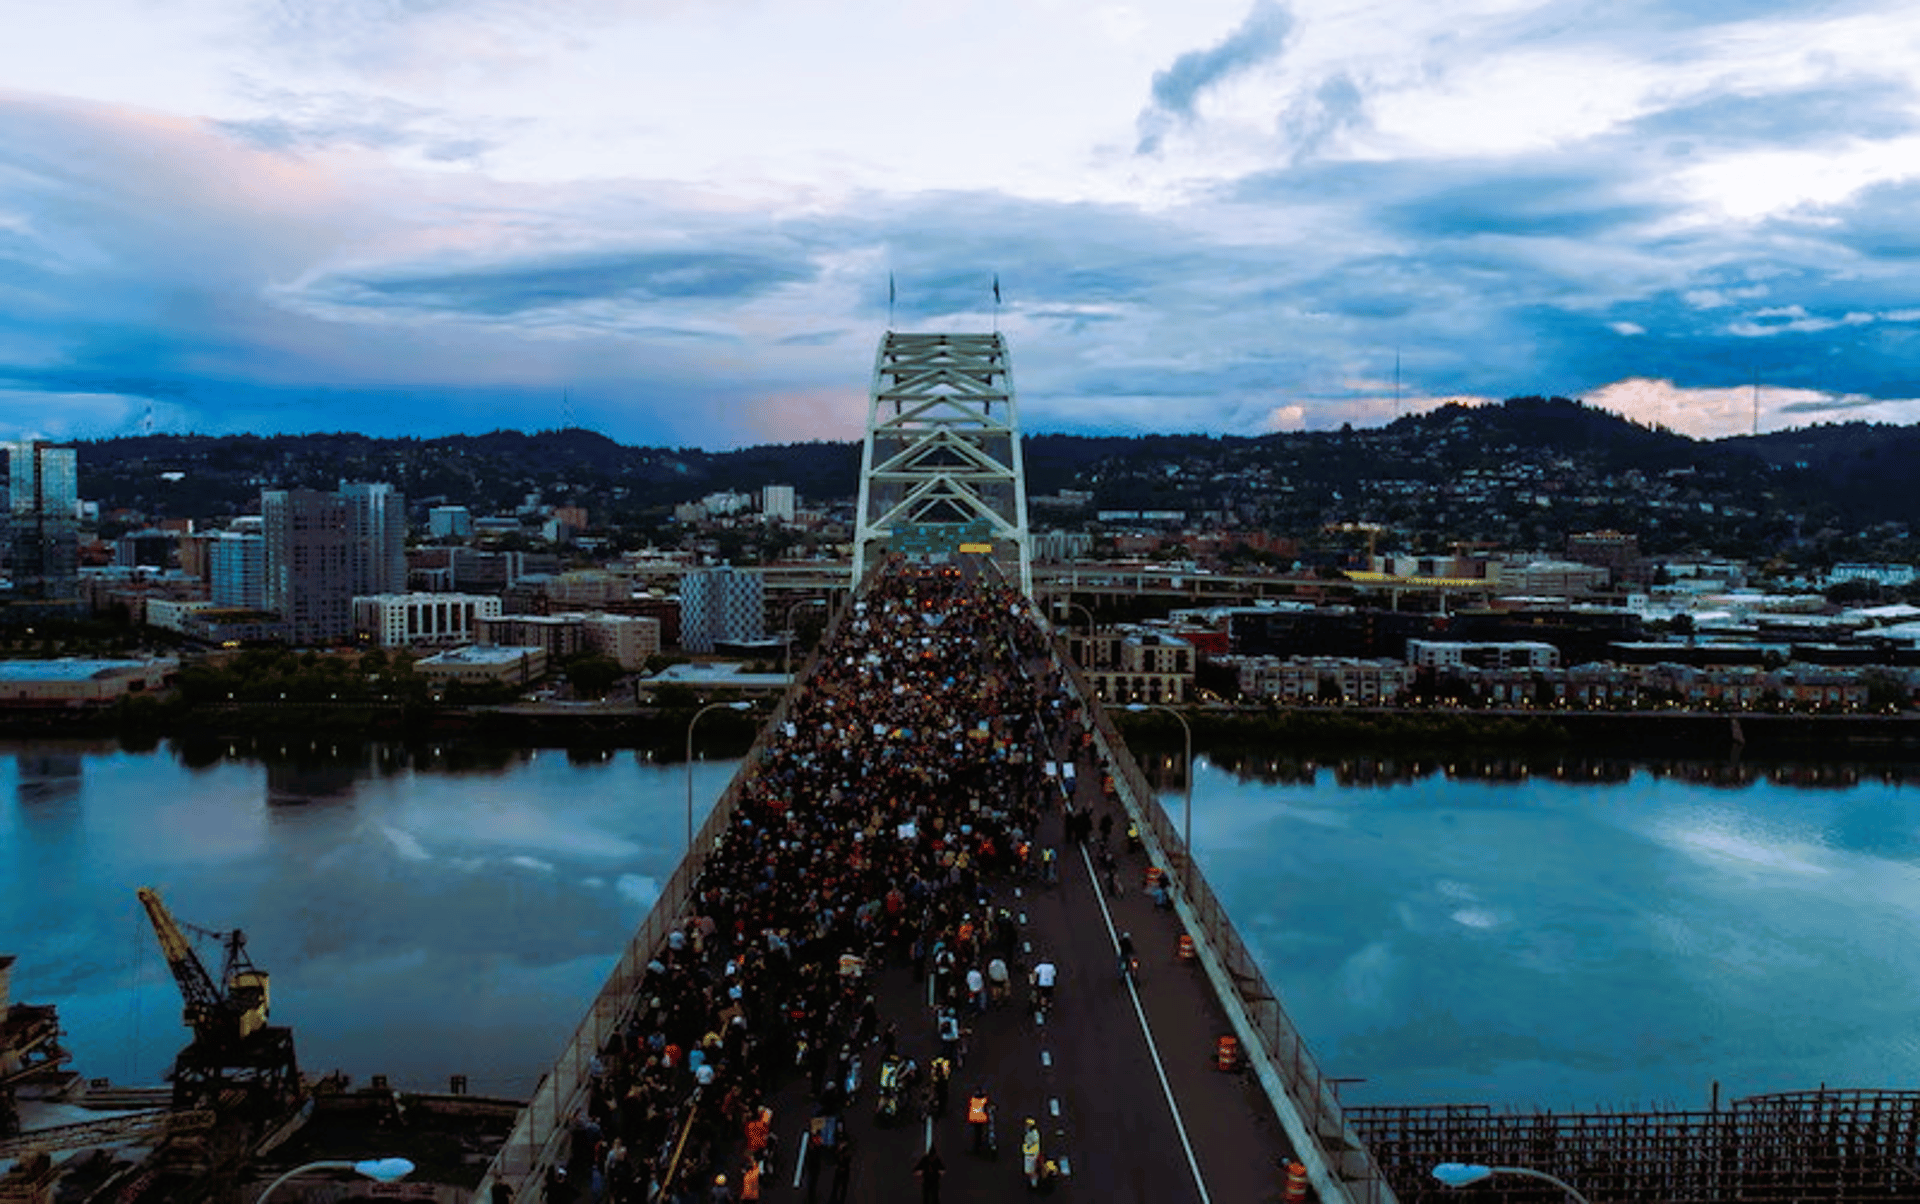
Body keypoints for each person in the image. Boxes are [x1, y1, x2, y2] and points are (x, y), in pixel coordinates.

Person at [967, 1087, 992, 1154]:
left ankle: (976, 1147)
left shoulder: (972, 1099)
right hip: (981, 1119)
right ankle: (980, 1146)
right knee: (981, 1133)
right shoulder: (984, 1100)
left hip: (974, 1118)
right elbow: (989, 1104)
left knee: (977, 1133)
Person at [1021, 1117, 1042, 1189]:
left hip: (1031, 1153)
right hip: (1029, 1152)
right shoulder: (1030, 1132)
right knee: (1029, 1170)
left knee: (1031, 1170)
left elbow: (1033, 1141)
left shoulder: (1034, 1134)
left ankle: (1034, 1184)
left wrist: (1028, 1146)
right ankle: (1034, 1182)